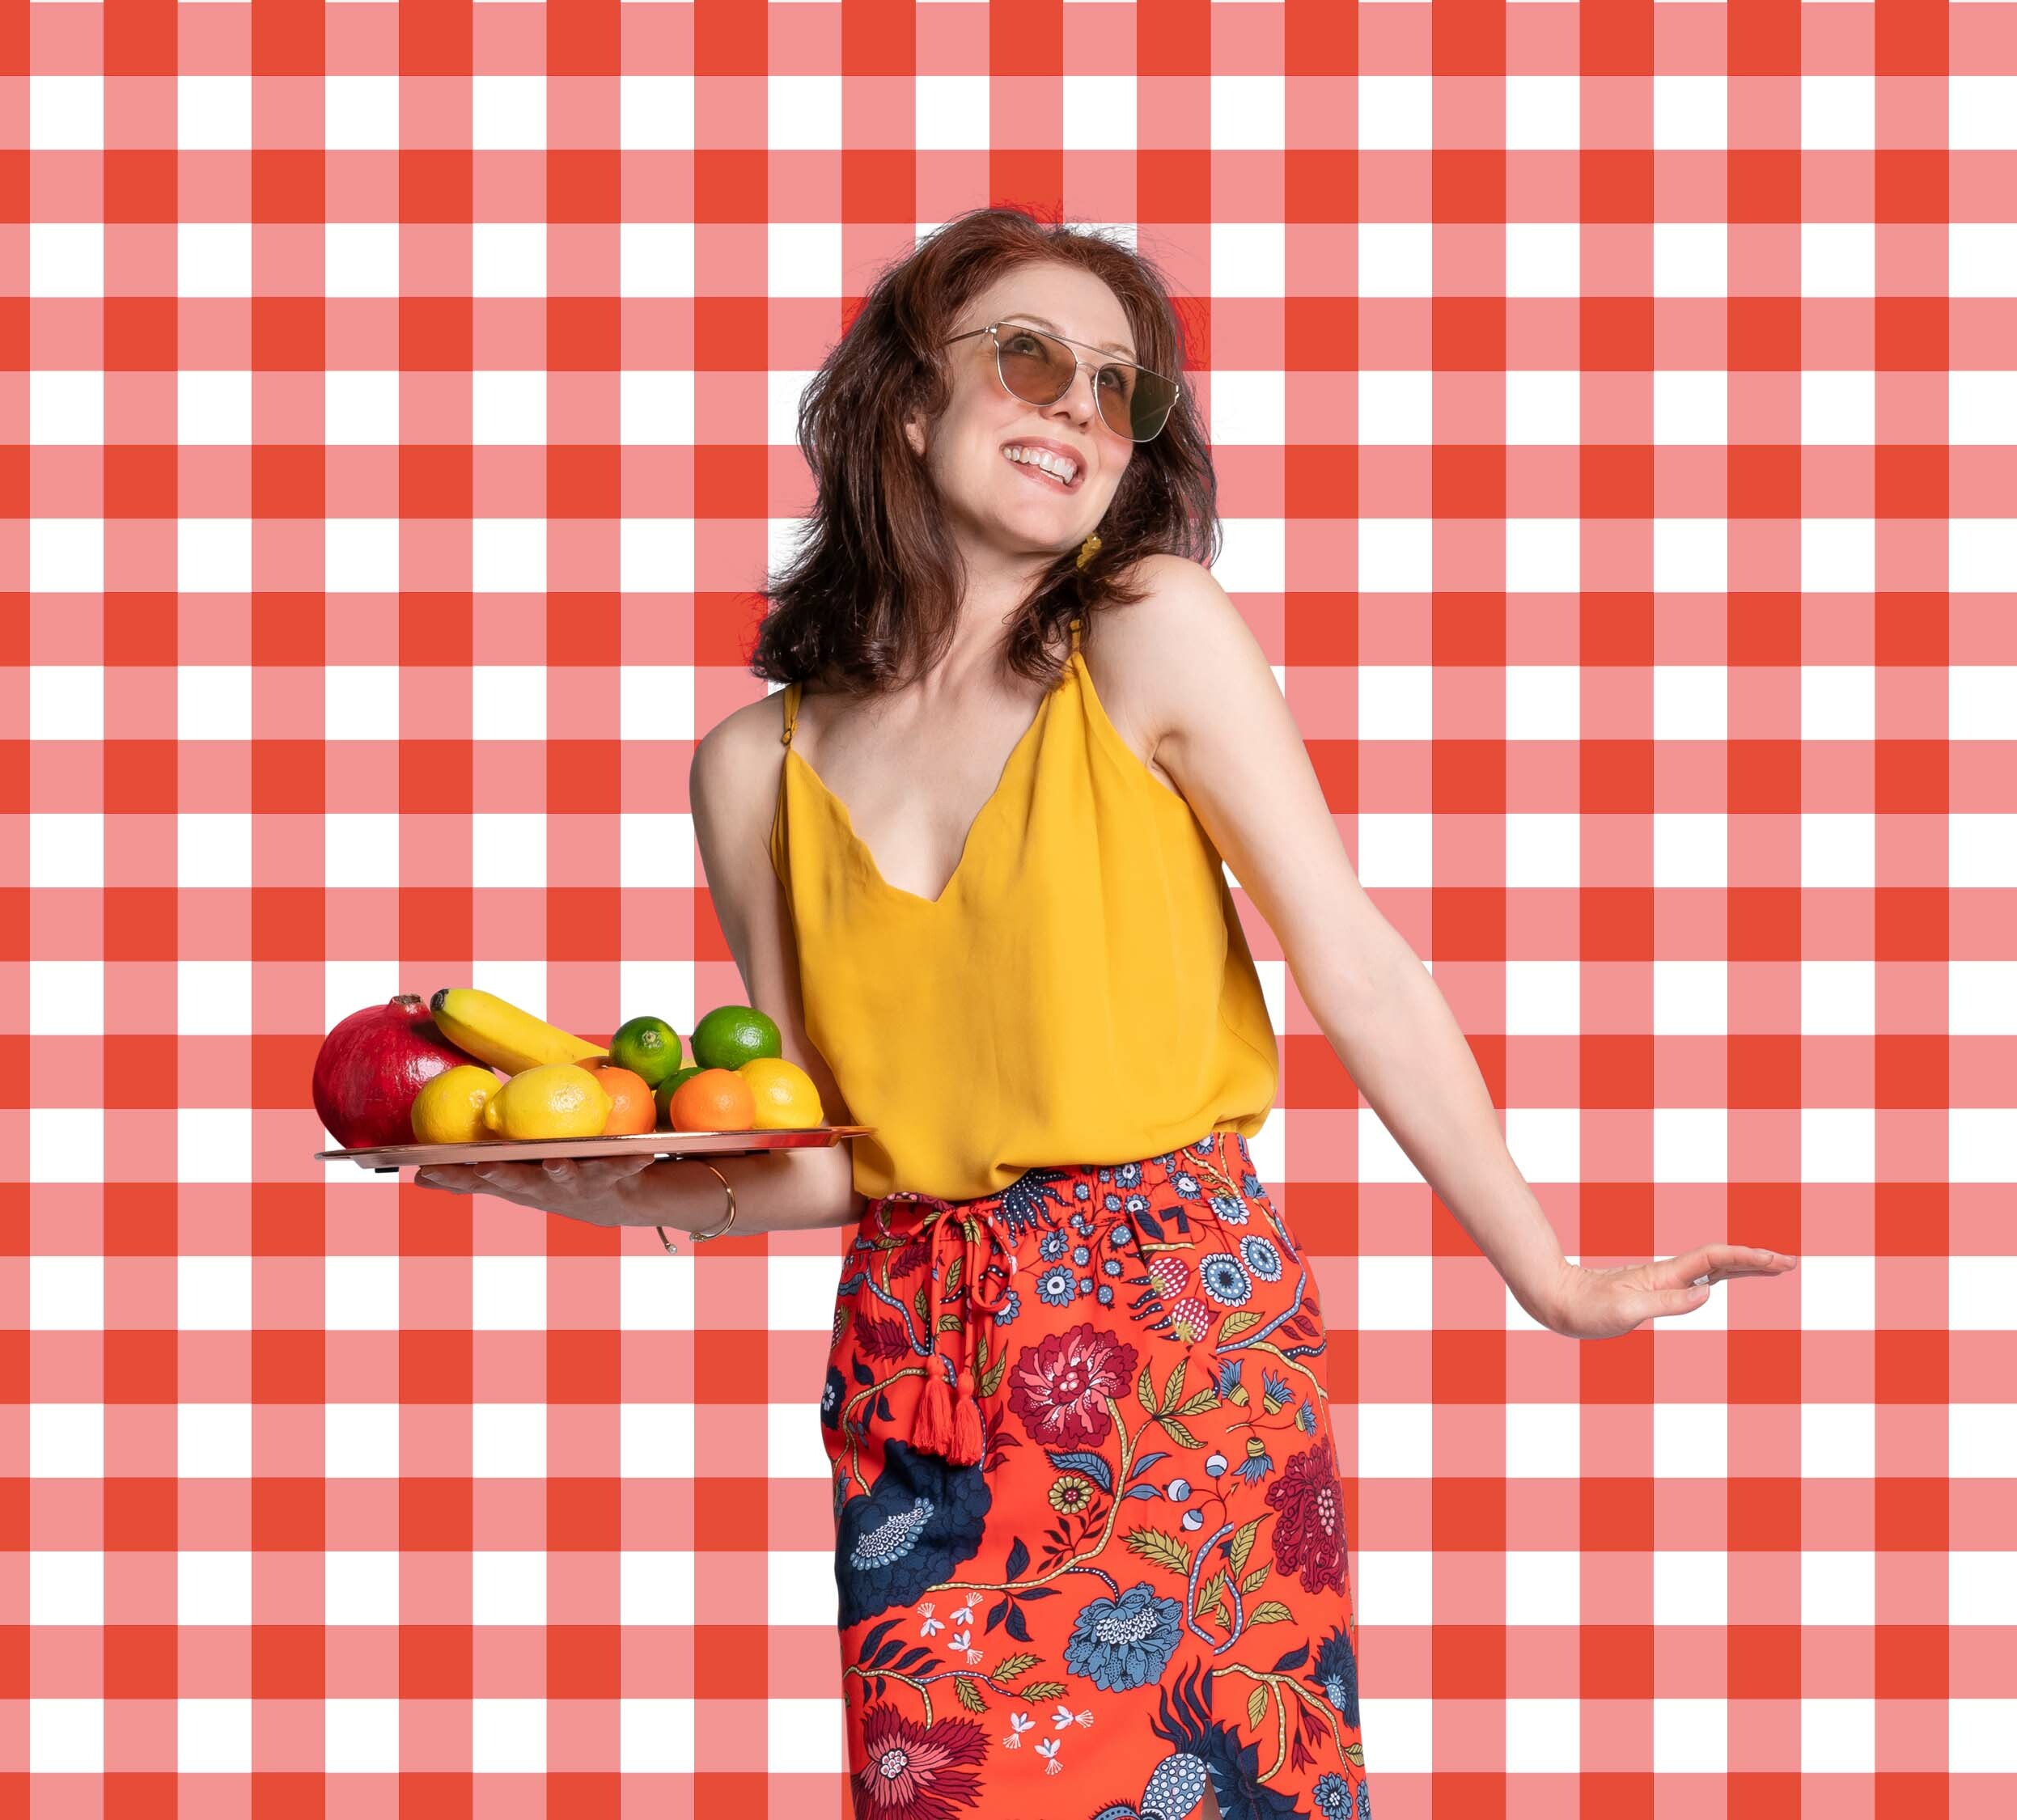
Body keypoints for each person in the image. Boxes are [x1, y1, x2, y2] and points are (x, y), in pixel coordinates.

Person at [413, 204, 1797, 1818]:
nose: (1078, 403)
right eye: (1029, 357)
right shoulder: (750, 772)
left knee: (1224, 1777)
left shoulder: (1149, 632)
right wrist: (557, 1183)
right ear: (909, 405)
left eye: (1118, 387)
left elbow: (1348, 956)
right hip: (912, 1359)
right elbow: (825, 1155)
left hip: (1171, 1334)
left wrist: (1547, 1276)